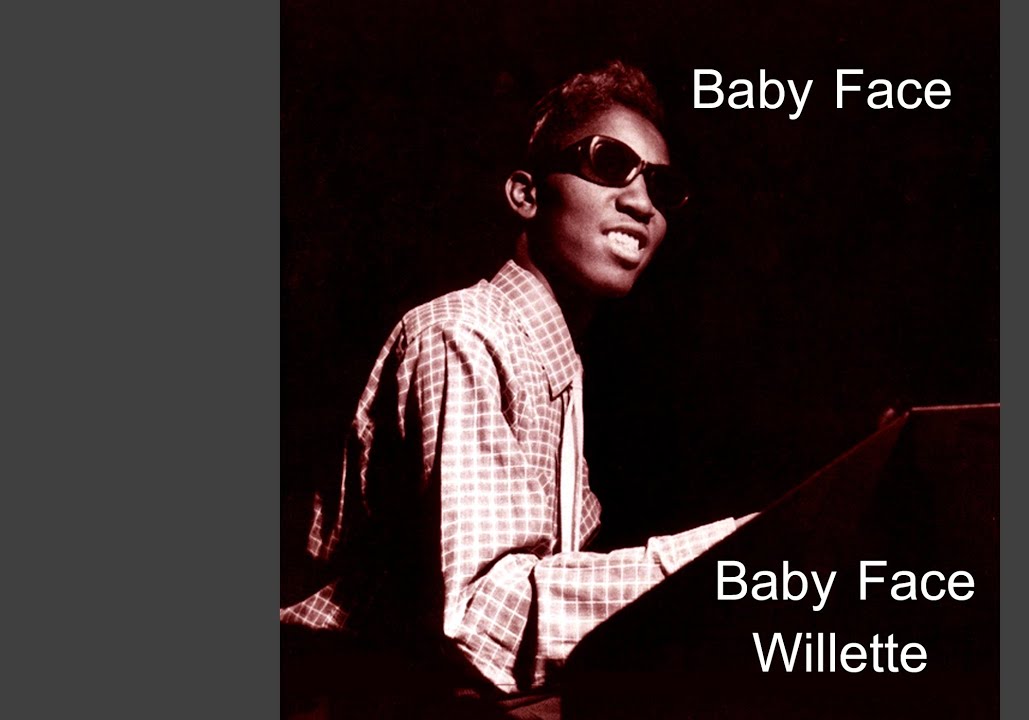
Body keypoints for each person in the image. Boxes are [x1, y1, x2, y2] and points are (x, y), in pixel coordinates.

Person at [281, 61, 750, 700]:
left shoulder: (555, 366)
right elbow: (480, 621)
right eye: (610, 162)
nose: (642, 203)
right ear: (526, 195)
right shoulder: (462, 335)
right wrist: (731, 559)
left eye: (662, 187)